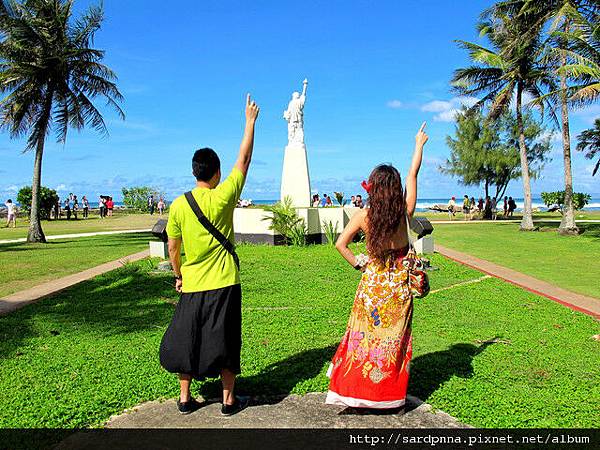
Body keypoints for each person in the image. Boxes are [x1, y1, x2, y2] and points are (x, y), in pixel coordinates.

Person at [159, 94, 259, 416]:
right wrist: (249, 122)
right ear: (216, 172)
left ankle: (185, 398)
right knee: (227, 339)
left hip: (191, 283)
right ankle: (228, 401)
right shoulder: (223, 197)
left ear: (194, 172)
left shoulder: (178, 205)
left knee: (189, 336)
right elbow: (243, 160)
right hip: (225, 282)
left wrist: (178, 275)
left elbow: (173, 247)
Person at [326, 122, 428, 410]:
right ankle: (388, 395)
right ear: (395, 189)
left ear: (373, 187)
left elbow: (340, 244)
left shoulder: (363, 215)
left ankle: (355, 391)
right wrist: (418, 145)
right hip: (398, 288)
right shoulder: (403, 213)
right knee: (393, 341)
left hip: (372, 285)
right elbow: (413, 173)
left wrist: (359, 262)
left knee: (364, 339)